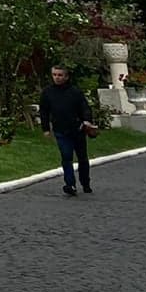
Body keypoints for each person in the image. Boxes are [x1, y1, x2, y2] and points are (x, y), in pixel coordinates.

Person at [38, 65, 98, 195]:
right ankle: (70, 184)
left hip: (78, 129)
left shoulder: (75, 92)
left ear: (66, 76)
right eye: (54, 75)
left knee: (82, 158)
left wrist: (87, 121)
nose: (57, 78)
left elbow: (85, 108)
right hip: (60, 130)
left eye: (60, 75)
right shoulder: (47, 92)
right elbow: (44, 111)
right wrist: (46, 129)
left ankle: (85, 182)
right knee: (66, 157)